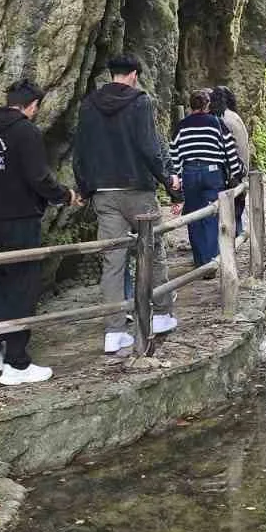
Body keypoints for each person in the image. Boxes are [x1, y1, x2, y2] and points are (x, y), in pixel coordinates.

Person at [0, 79, 77, 387]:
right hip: (20, 218)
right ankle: (16, 363)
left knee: (4, 278)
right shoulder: (26, 132)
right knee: (24, 284)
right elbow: (39, 177)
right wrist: (65, 195)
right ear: (33, 106)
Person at [73, 54, 179, 355]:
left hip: (104, 193)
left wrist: (85, 188)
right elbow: (149, 146)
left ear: (112, 74)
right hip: (138, 191)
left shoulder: (89, 104)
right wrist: (167, 180)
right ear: (133, 74)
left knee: (113, 261)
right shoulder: (139, 102)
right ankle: (161, 314)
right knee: (154, 251)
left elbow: (80, 150)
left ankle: (114, 331)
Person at [170, 89, 244, 270]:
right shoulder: (216, 123)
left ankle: (200, 261)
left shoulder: (181, 126)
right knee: (212, 216)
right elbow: (229, 151)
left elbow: (174, 155)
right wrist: (236, 173)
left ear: (191, 106)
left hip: (189, 173)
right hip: (212, 173)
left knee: (193, 216)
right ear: (207, 105)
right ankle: (211, 262)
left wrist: (177, 180)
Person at [212, 86, 251, 235]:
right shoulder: (235, 117)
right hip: (241, 169)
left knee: (230, 215)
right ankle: (236, 239)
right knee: (237, 212)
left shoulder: (222, 120)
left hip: (233, 173)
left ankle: (231, 242)